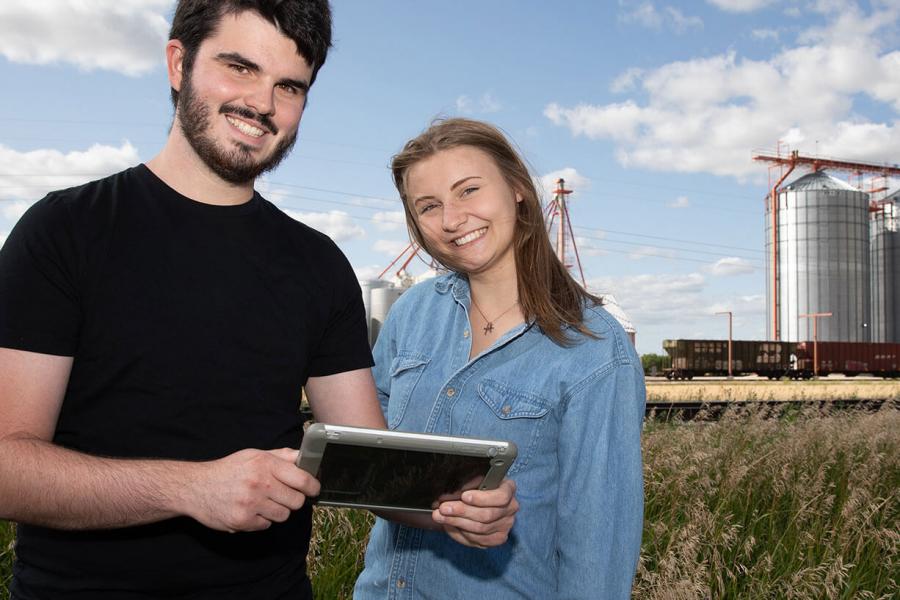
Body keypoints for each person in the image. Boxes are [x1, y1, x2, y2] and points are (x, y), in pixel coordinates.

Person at [0, 4, 515, 599]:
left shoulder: (318, 264)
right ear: (178, 63)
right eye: (239, 67)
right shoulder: (64, 232)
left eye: (289, 86)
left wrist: (455, 508)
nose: (263, 104)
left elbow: (369, 466)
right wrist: (188, 488)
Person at [354, 118, 645, 599]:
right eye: (429, 206)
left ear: (516, 189)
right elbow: (369, 464)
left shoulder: (595, 349)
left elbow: (598, 550)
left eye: (468, 190)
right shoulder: (411, 314)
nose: (451, 219)